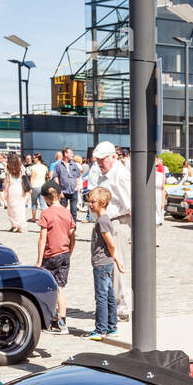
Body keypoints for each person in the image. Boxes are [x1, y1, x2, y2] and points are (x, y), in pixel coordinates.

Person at [90, 141, 133, 320]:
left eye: (103, 159)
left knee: (118, 265)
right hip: (105, 222)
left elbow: (129, 203)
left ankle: (123, 306)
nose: (100, 163)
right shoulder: (103, 174)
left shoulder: (120, 174)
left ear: (112, 157)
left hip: (117, 223)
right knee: (108, 267)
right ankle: (113, 305)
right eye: (98, 160)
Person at [35, 183, 75, 330]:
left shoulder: (46, 213)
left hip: (50, 256)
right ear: (60, 195)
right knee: (61, 289)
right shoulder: (67, 212)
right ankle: (62, 320)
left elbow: (42, 238)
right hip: (64, 255)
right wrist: (69, 252)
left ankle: (48, 316)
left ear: (45, 198)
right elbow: (72, 236)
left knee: (48, 287)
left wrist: (39, 261)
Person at [87, 185, 122, 340]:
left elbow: (111, 243)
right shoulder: (103, 220)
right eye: (89, 201)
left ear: (103, 203)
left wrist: (114, 257)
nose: (90, 204)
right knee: (109, 295)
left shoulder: (102, 221)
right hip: (105, 262)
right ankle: (111, 327)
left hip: (101, 263)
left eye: (93, 202)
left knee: (101, 296)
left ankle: (101, 329)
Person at [5, 152, 28, 233]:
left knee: (11, 208)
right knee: (20, 208)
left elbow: (7, 181)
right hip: (20, 188)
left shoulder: (8, 167)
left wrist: (5, 192)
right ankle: (20, 226)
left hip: (12, 188)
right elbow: (24, 178)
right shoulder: (21, 167)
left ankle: (14, 225)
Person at [28, 154, 48, 222]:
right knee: (43, 203)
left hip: (35, 186)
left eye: (34, 158)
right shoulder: (44, 167)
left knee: (34, 202)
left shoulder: (33, 167)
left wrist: (30, 187)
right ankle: (44, 219)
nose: (33, 159)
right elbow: (46, 177)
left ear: (37, 158)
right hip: (43, 185)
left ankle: (33, 218)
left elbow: (32, 177)